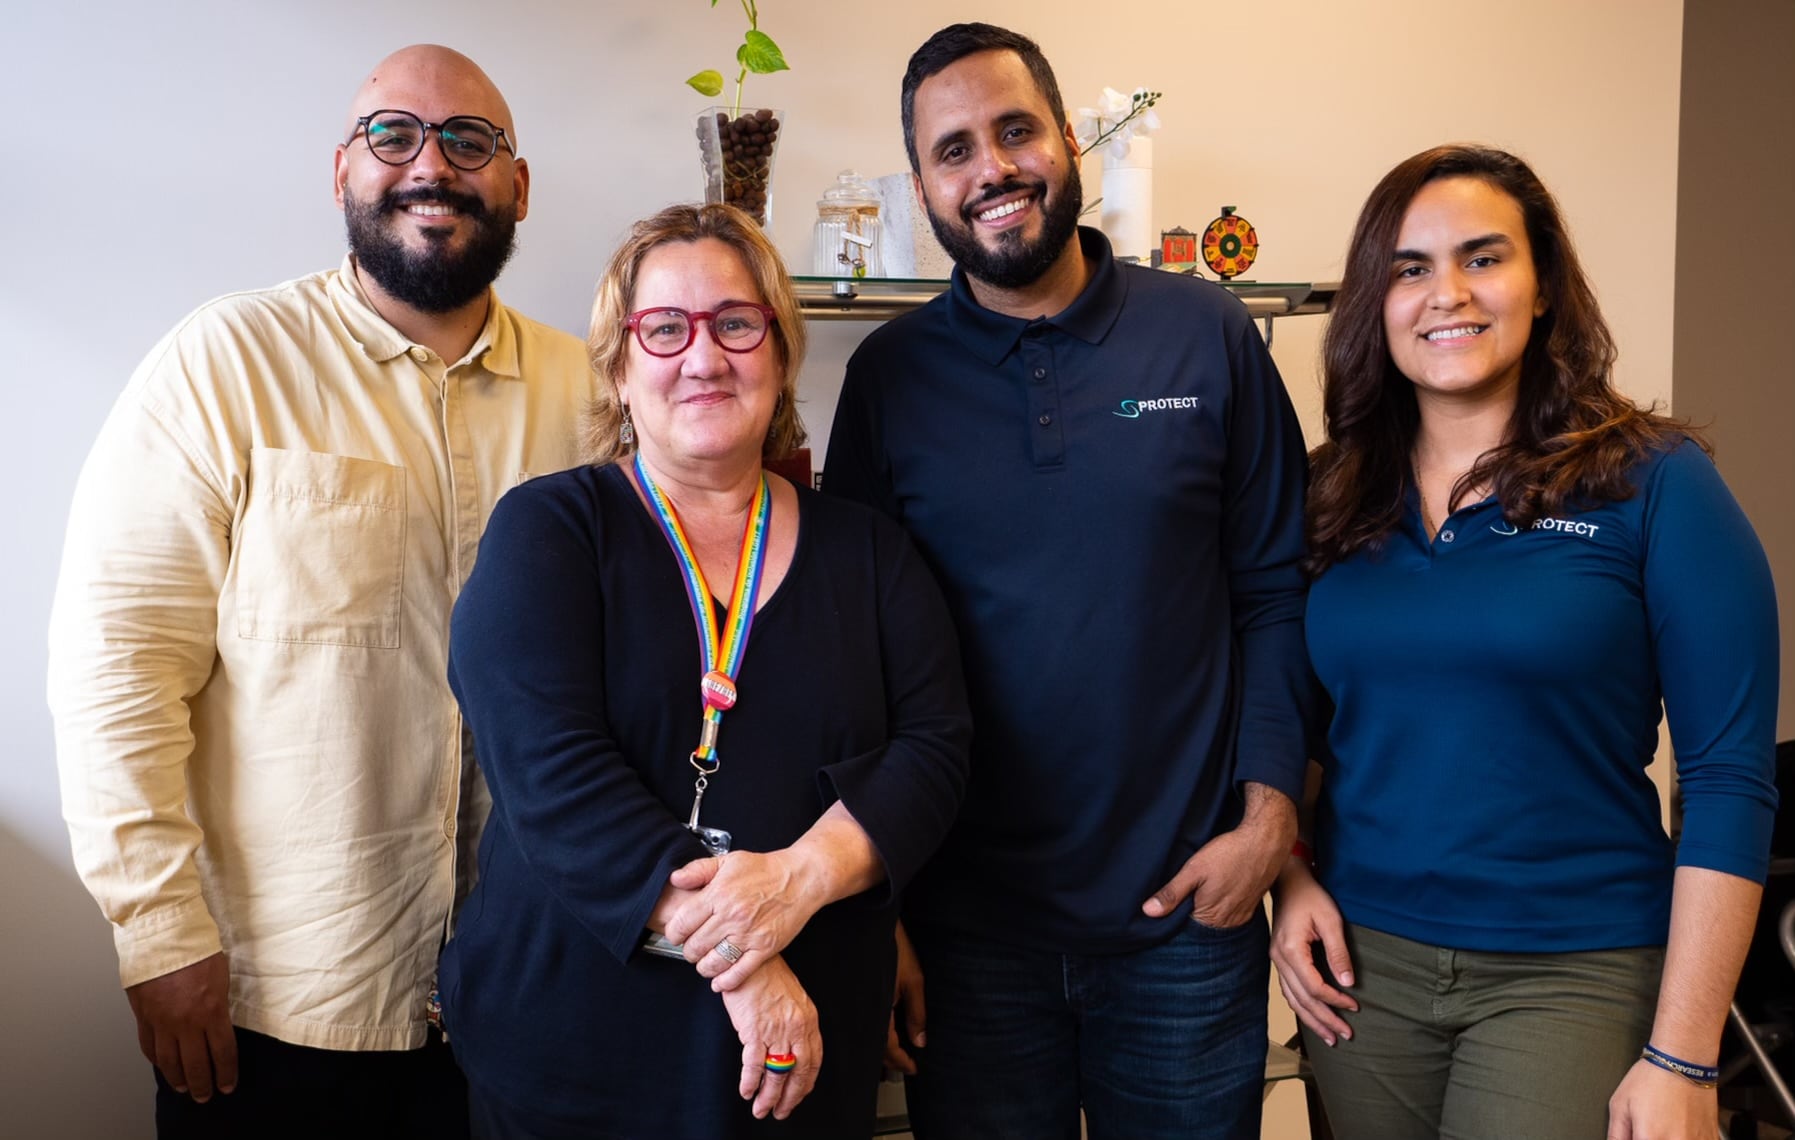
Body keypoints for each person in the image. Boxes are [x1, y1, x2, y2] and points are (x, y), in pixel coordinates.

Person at [46, 45, 594, 1137]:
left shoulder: (594, 394)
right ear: (342, 170)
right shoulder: (222, 366)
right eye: (394, 136)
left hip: (522, 995)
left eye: (468, 141)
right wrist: (159, 939)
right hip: (280, 1006)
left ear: (518, 184)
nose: (430, 166)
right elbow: (117, 667)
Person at [824, 22, 1312, 1139]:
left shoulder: (1208, 335)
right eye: (953, 152)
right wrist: (883, 903)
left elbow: (1275, 589)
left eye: (1014, 131)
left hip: (1189, 915)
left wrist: (1269, 817)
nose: (990, 169)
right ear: (922, 189)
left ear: (1066, 141)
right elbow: (855, 658)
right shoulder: (890, 381)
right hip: (968, 934)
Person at [1270, 144, 1780, 1140]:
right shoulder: (1326, 495)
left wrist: (1683, 1054)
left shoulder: (1656, 483)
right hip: (1361, 976)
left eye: (1482, 257)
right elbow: (1284, 732)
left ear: (1542, 284)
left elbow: (1729, 776)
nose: (1445, 293)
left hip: (1574, 967)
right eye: (1408, 268)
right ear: (1375, 301)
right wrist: (1287, 876)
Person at [437, 202, 972, 1139]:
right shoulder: (550, 533)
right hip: (581, 1050)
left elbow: (935, 751)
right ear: (617, 364)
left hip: (803, 1069)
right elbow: (551, 777)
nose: (704, 356)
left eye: (735, 323)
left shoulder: (871, 552)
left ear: (778, 351)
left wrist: (800, 879)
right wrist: (749, 961)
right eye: (665, 328)